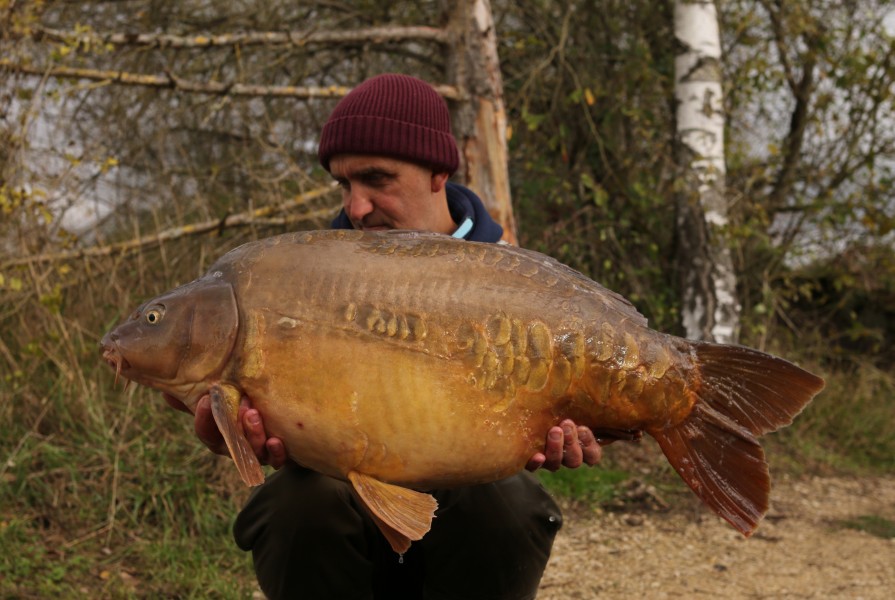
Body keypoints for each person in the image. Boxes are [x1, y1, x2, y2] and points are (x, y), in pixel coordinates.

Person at [167, 73, 601, 599]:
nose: (356, 207)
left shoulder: (513, 281)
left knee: (508, 505)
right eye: (345, 185)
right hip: (348, 490)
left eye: (377, 179)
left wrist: (580, 426)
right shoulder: (305, 282)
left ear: (440, 170)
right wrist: (247, 434)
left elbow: (562, 414)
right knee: (298, 505)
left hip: (469, 495)